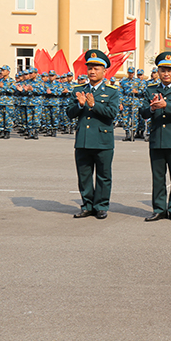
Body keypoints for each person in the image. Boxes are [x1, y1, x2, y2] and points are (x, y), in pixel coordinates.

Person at [66, 50, 120, 219]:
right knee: (84, 175)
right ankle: (87, 205)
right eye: (89, 67)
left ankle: (101, 206)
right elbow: (69, 113)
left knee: (104, 175)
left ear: (104, 71)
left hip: (103, 140)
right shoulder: (78, 89)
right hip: (83, 139)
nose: (92, 71)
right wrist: (81, 105)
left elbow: (112, 113)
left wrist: (94, 104)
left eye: (96, 68)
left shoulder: (112, 91)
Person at [139, 52, 171, 222]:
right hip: (157, 139)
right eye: (163, 70)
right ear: (158, 71)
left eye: (170, 70)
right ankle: (159, 209)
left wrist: (166, 105)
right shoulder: (151, 89)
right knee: (158, 177)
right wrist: (153, 108)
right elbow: (143, 112)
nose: (166, 73)